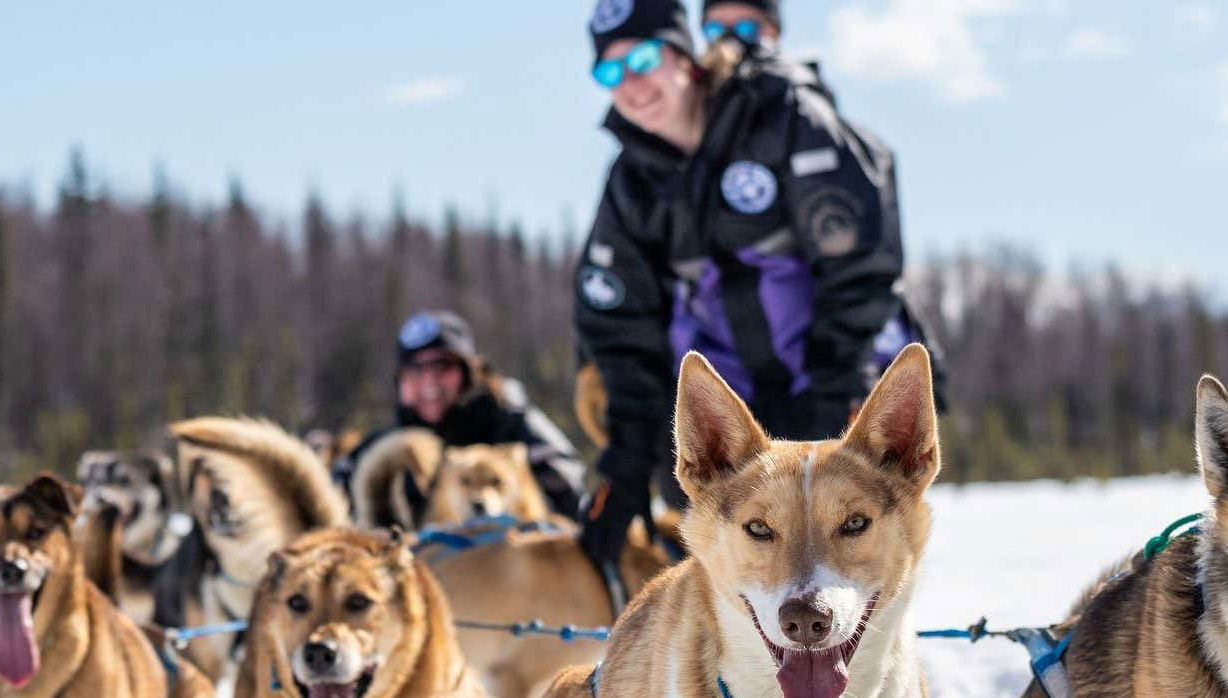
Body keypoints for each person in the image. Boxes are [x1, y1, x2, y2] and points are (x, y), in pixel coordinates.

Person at [577, 0, 909, 572]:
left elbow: (859, 265)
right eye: (609, 71)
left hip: (831, 389)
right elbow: (619, 327)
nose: (629, 84)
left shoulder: (782, 116)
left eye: (644, 59)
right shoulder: (632, 181)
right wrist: (628, 460)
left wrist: (838, 396)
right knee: (732, 588)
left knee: (842, 578)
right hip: (730, 416)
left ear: (688, 57)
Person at [334, 310, 585, 522]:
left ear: (469, 373)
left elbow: (570, 491)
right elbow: (332, 498)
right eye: (415, 371)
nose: (429, 382)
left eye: (442, 367)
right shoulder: (388, 448)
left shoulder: (512, 425)